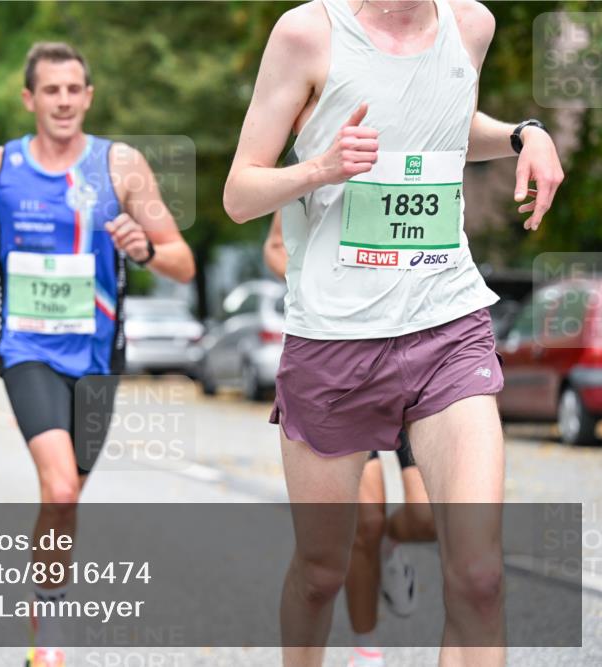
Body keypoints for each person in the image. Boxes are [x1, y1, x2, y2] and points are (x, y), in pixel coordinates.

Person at [224, 1, 564, 664]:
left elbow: (450, 128)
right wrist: (321, 168)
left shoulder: (471, 25)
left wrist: (526, 134)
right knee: (322, 572)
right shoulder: (308, 33)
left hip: (448, 327)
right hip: (335, 341)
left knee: (480, 577)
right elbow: (239, 193)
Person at [0, 42, 195, 667]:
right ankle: (49, 639)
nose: (63, 101)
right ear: (29, 99)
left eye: (73, 89)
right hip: (25, 344)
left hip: (97, 355)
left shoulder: (122, 166)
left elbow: (182, 262)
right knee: (58, 488)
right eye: (50, 90)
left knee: (68, 496)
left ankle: (47, 601)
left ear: (88, 96)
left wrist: (143, 248)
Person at [264, 212, 437, 667]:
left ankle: (389, 546)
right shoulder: (320, 169)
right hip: (349, 353)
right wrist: (323, 281)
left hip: (420, 347)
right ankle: (367, 650)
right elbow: (275, 246)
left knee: (429, 517)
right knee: (366, 520)